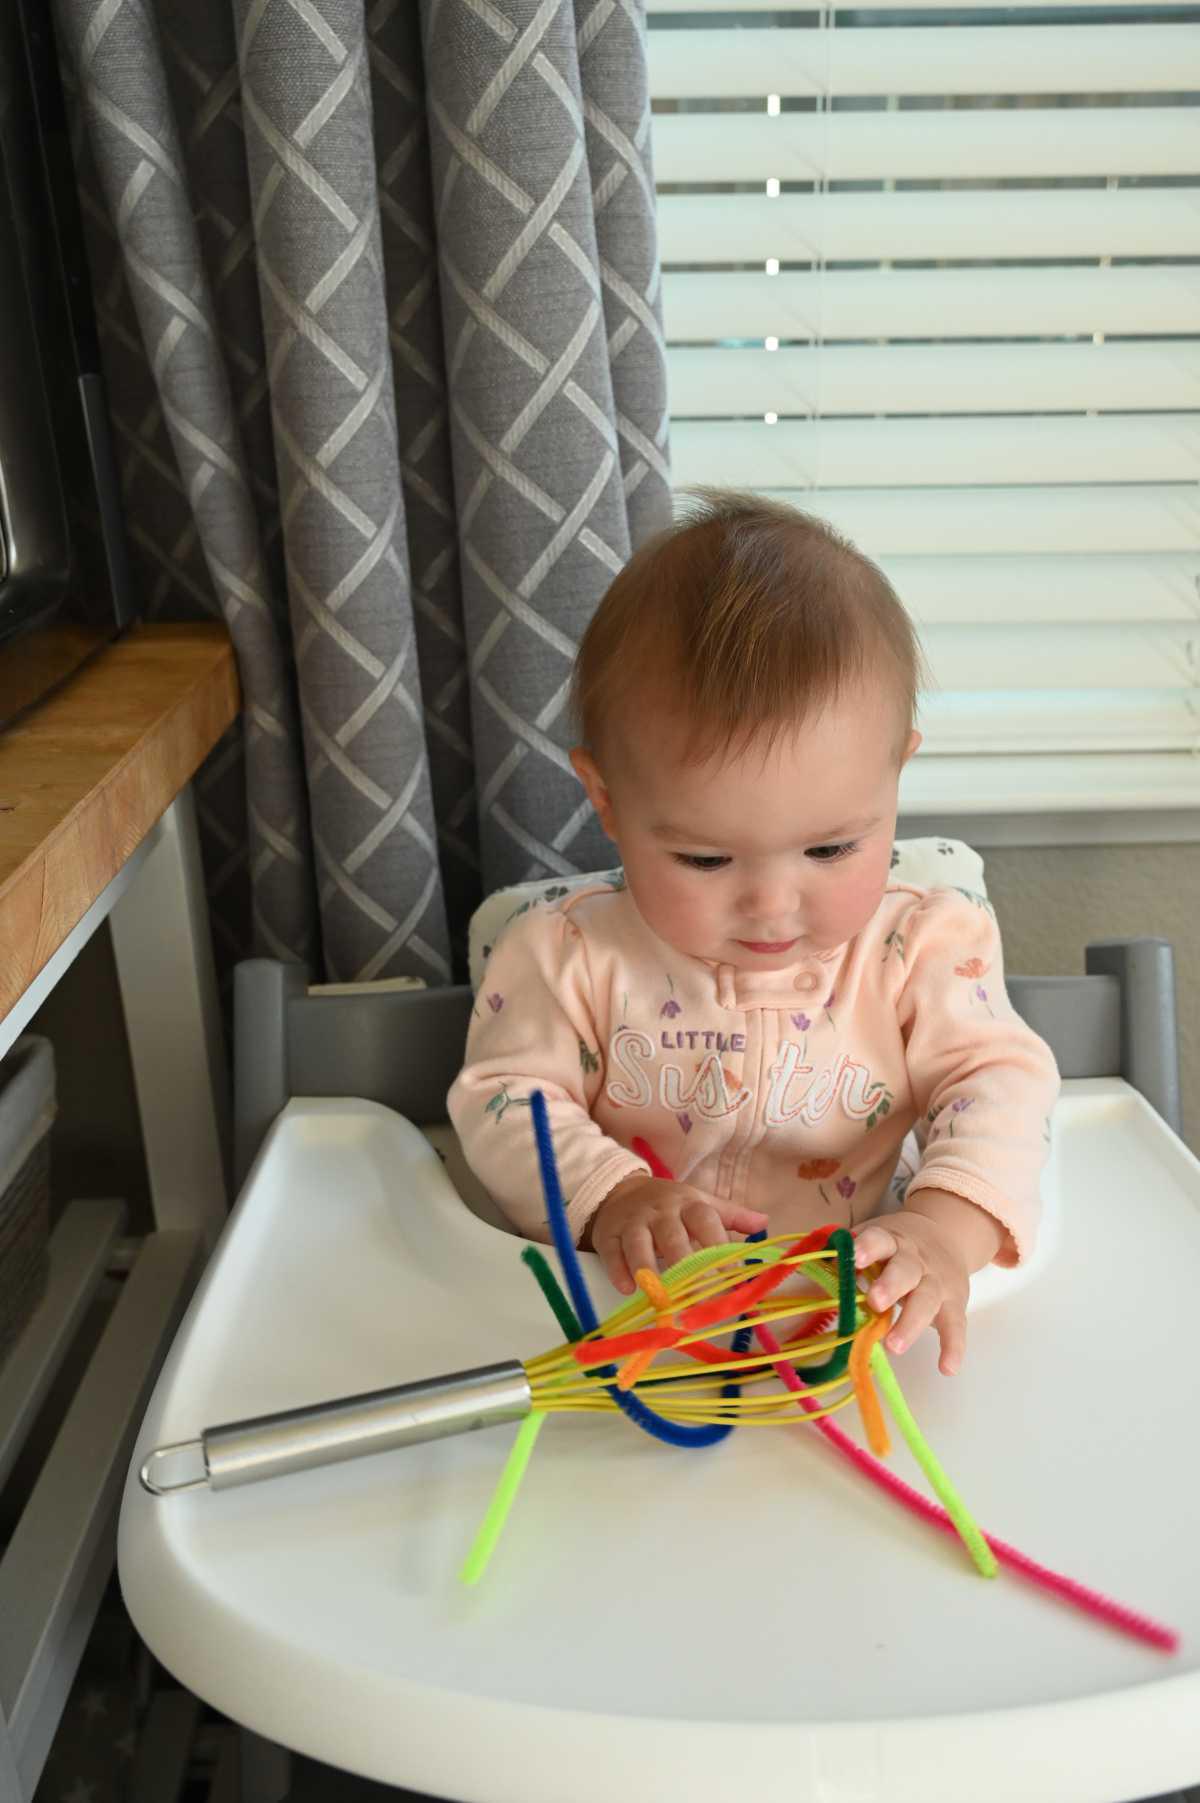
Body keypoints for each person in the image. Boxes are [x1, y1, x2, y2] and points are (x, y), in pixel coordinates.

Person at [448, 492, 1059, 1374]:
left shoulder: (919, 950)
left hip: (850, 1331)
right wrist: (613, 1195)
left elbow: (1000, 1081)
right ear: (608, 799)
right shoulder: (562, 957)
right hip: (638, 1333)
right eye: (705, 859)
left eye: (831, 847)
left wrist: (943, 1230)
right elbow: (504, 1095)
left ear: (895, 778)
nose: (774, 907)